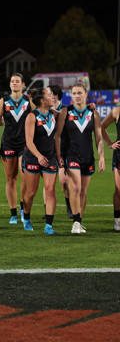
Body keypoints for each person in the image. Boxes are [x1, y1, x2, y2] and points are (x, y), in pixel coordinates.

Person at [55, 83, 105, 234]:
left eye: (79, 93)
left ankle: (79, 221)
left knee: (83, 192)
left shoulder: (94, 113)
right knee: (75, 188)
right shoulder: (65, 112)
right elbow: (57, 136)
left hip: (88, 157)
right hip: (71, 156)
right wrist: (59, 156)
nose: (77, 96)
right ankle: (75, 221)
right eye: (74, 93)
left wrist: (101, 156)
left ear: (85, 94)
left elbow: (99, 137)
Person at [0, 73, 33, 224]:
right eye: (12, 81)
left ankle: (22, 208)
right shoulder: (4, 101)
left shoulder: (28, 101)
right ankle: (13, 213)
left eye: (17, 81)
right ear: (10, 85)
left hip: (24, 144)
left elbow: (37, 117)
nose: (14, 83)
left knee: (25, 178)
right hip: (8, 143)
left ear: (23, 84)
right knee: (11, 179)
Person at [21, 87, 59, 234]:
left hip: (50, 158)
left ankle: (49, 226)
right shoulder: (32, 117)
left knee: (50, 190)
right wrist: (38, 156)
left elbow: (70, 112)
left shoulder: (54, 115)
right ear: (42, 100)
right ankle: (27, 217)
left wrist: (89, 106)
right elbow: (29, 142)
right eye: (50, 95)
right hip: (33, 158)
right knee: (31, 193)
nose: (53, 97)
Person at [45, 84, 72, 218]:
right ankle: (47, 210)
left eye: (49, 93)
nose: (46, 95)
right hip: (48, 151)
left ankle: (69, 207)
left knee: (64, 182)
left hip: (63, 151)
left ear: (55, 95)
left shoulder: (66, 110)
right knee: (47, 183)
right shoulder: (45, 110)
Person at [100, 102, 120, 231]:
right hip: (119, 155)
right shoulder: (117, 111)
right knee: (119, 190)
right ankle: (117, 220)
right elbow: (101, 126)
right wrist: (109, 144)